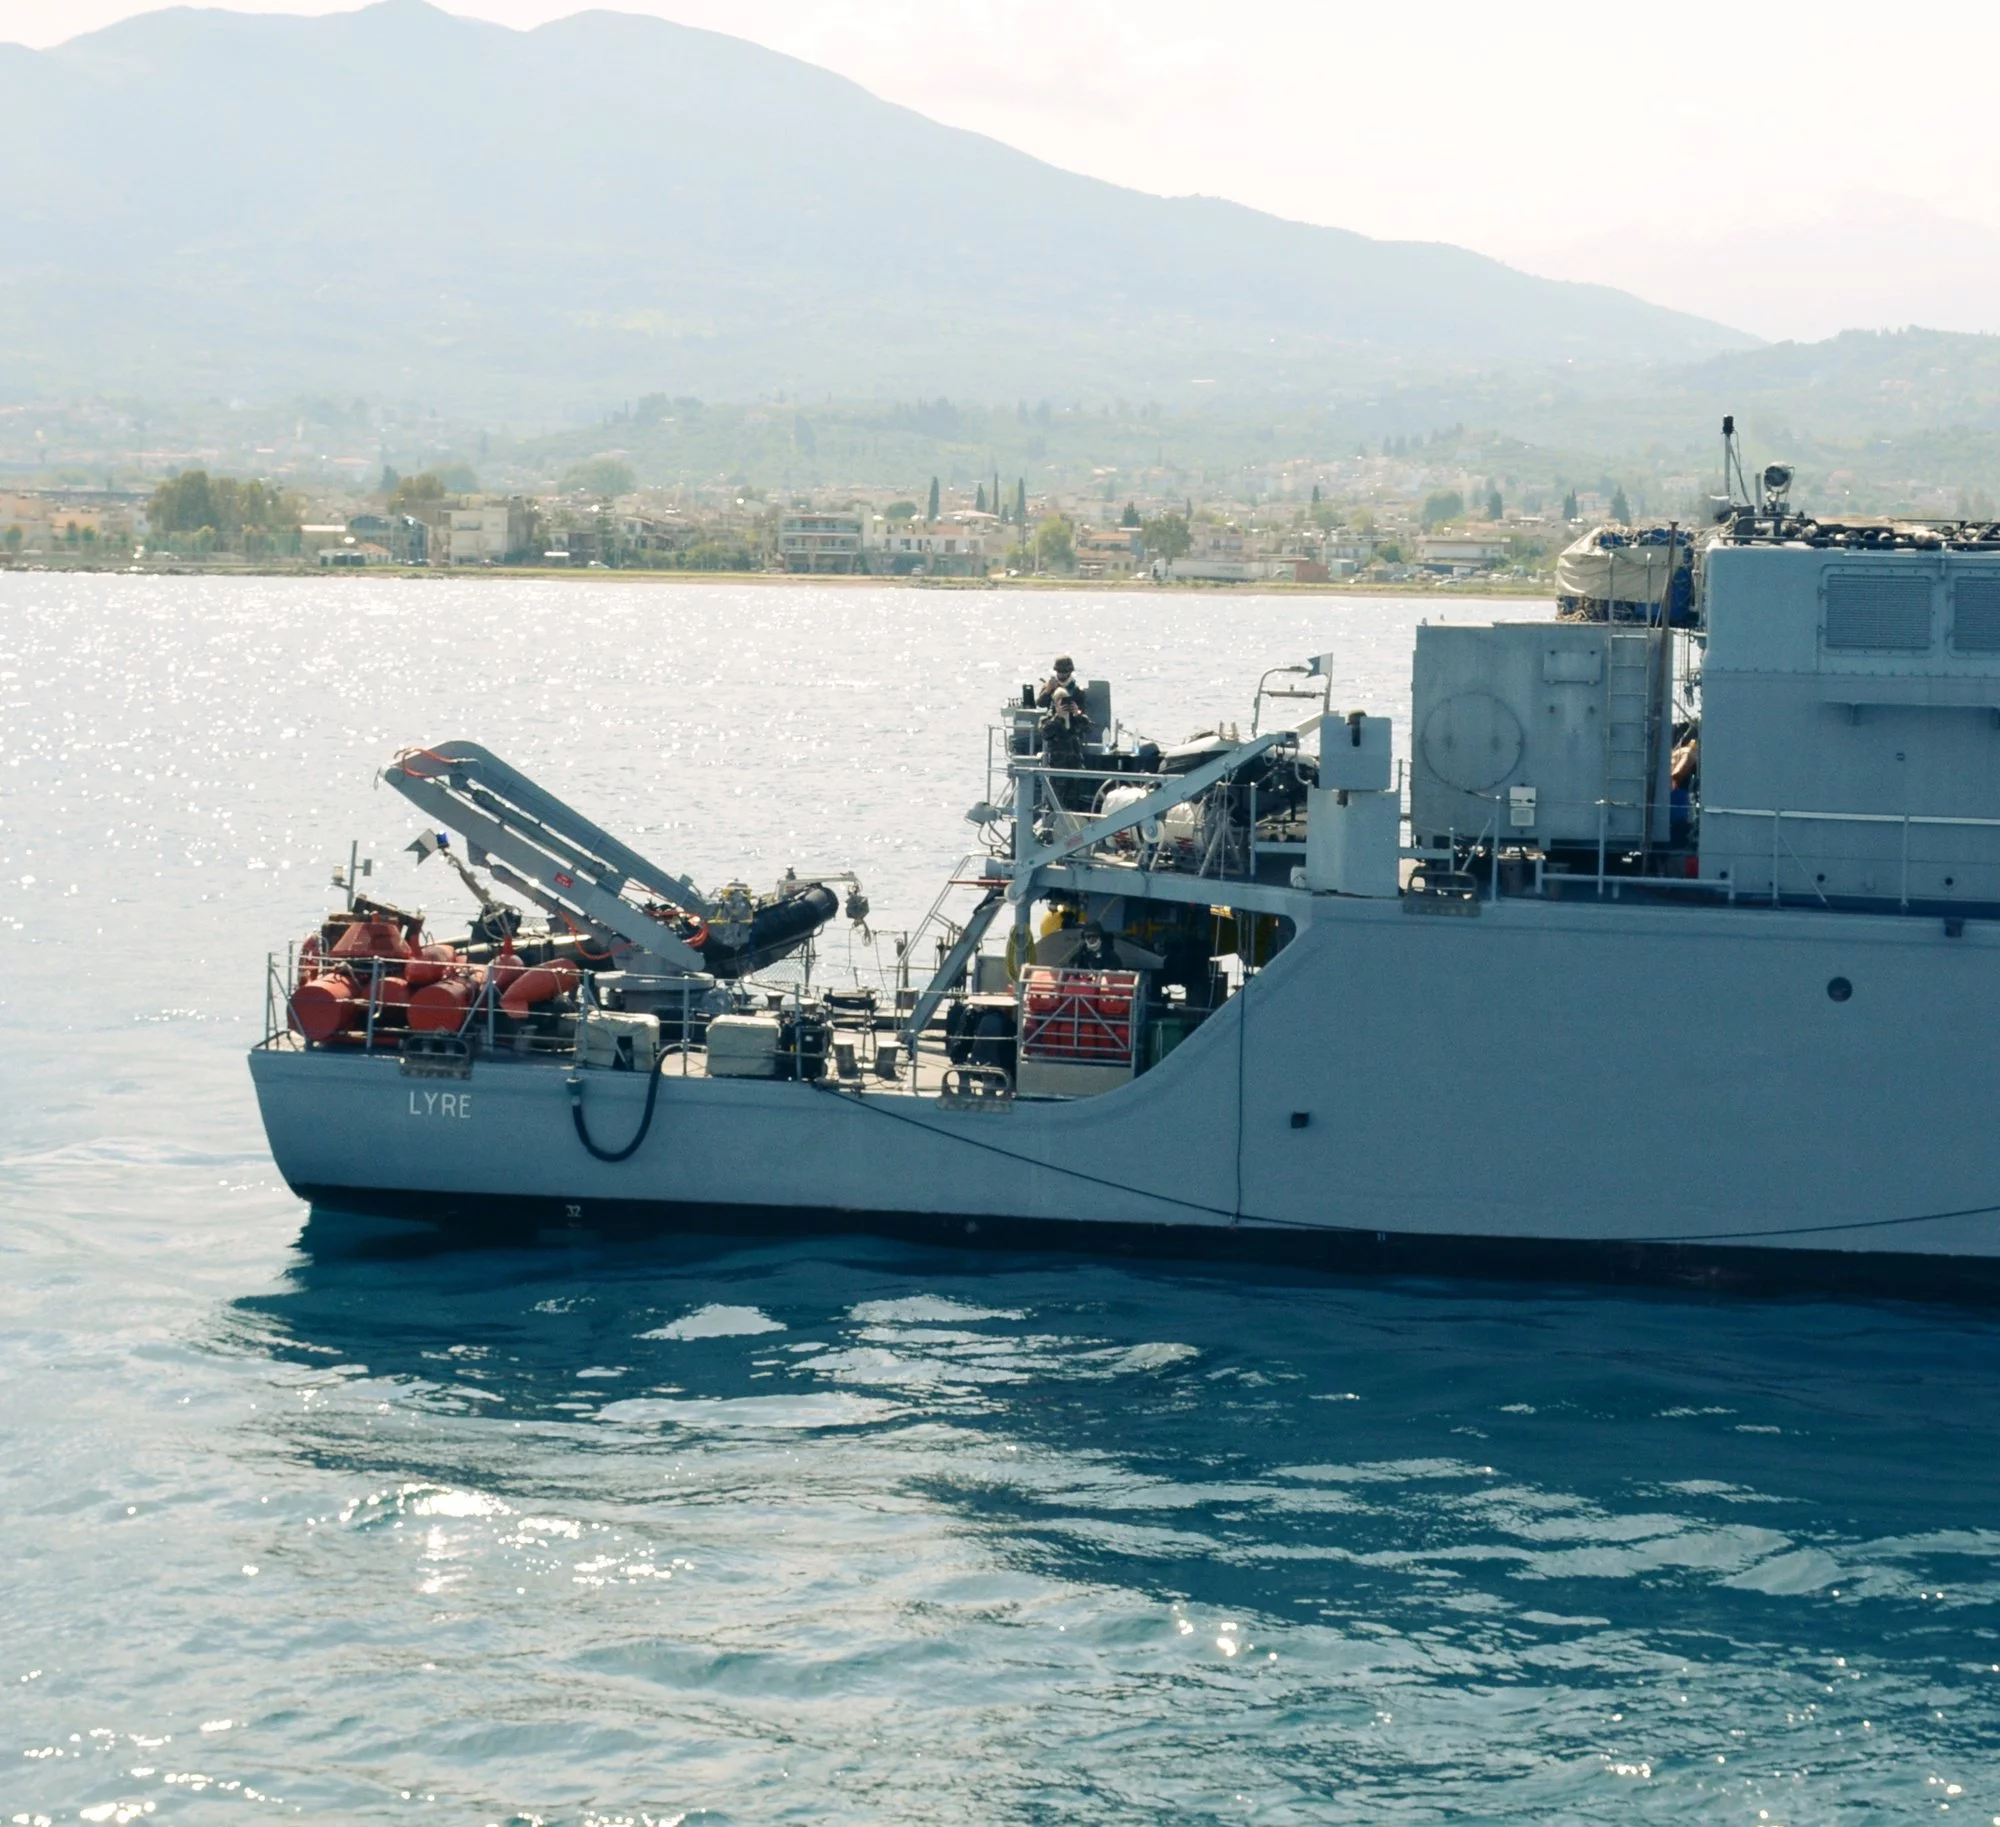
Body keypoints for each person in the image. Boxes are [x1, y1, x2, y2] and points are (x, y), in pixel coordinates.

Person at [1039, 687, 1088, 806]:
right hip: (1058, 768)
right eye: (1061, 702)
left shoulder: (1075, 719)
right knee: (1056, 801)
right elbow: (1045, 732)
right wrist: (1058, 717)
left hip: (1075, 767)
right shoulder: (1048, 719)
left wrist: (1077, 714)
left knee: (1073, 802)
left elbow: (1088, 727)